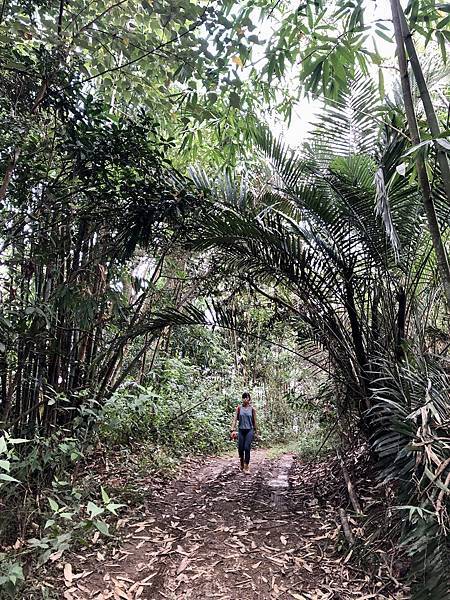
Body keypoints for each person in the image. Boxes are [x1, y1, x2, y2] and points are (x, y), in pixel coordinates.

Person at [230, 392, 257, 472]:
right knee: (240, 448)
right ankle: (241, 461)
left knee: (246, 447)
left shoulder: (252, 409)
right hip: (241, 430)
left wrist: (256, 431)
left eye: (247, 398)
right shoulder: (239, 408)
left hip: (249, 430)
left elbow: (254, 421)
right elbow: (235, 419)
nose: (245, 399)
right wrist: (232, 429)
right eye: (244, 397)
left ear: (249, 399)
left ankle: (246, 466)